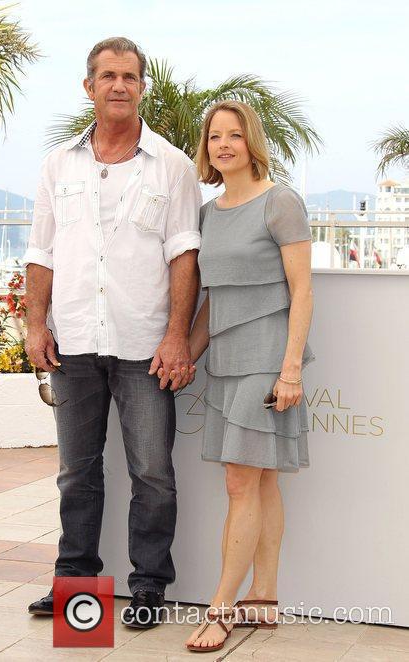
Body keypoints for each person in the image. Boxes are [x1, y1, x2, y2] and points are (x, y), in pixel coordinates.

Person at [22, 37, 202, 628]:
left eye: (129, 76)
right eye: (108, 76)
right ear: (89, 86)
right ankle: (76, 584)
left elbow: (184, 256)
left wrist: (177, 336)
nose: (119, 85)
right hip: (72, 339)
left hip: (144, 344)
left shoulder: (172, 165)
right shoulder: (58, 165)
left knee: (153, 472)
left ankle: (149, 587)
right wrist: (34, 324)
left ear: (141, 86)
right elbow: (41, 252)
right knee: (77, 471)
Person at [183, 100, 315, 653]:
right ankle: (263, 595)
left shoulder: (280, 202)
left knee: (240, 481)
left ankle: (220, 609)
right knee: (261, 479)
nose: (224, 145)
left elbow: (303, 291)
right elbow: (213, 300)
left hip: (267, 358)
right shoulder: (211, 213)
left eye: (235, 135)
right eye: (215, 137)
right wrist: (186, 354)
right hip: (226, 360)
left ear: (251, 142)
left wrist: (290, 371)